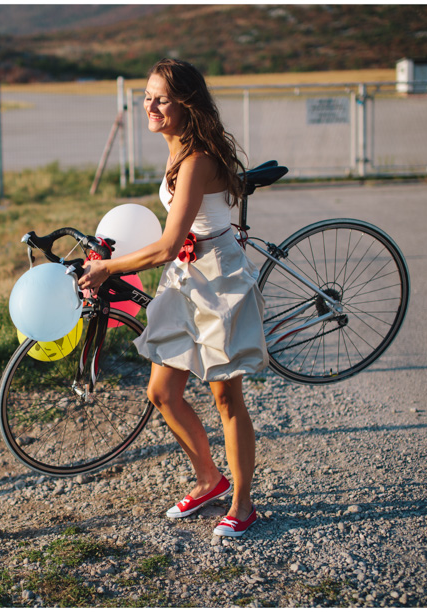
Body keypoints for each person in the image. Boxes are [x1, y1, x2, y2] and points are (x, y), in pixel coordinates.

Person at [77, 58, 268, 538]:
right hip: (187, 275)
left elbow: (165, 245)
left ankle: (242, 505)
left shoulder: (198, 158)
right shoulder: (177, 148)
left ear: (186, 103)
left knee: (226, 395)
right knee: (162, 392)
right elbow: (176, 238)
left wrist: (106, 270)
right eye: (146, 96)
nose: (151, 105)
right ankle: (210, 479)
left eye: (161, 98)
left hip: (216, 277)